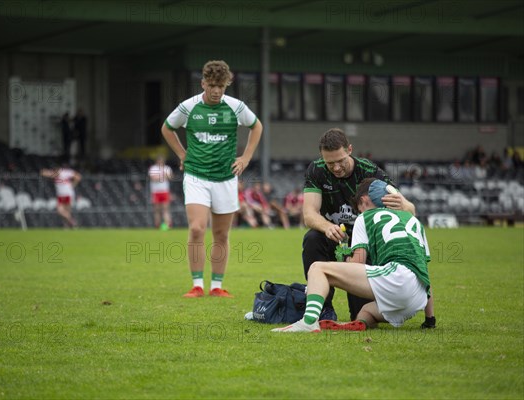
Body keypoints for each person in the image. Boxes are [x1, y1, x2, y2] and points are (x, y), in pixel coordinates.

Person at [273, 178, 435, 332]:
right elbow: (424, 272)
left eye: (359, 207)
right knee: (366, 311)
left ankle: (308, 322)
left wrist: (342, 256)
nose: (359, 212)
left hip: (396, 280)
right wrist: (430, 319)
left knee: (317, 269)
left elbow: (357, 263)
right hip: (416, 298)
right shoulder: (413, 221)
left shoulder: (365, 217)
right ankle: (360, 324)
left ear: (364, 200)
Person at [161, 60, 263, 298]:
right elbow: (167, 128)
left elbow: (256, 126)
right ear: (203, 83)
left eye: (221, 86)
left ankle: (217, 286)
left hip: (226, 178)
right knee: (197, 228)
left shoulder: (236, 107)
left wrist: (246, 158)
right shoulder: (188, 107)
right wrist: (182, 154)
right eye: (212, 85)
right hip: (196, 175)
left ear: (227, 84)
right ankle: (197, 284)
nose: (216, 91)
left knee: (221, 234)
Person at [302, 128, 416, 322]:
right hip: (335, 236)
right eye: (331, 163)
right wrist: (327, 226)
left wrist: (405, 205)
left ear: (350, 150)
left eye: (340, 161)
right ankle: (323, 308)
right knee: (313, 238)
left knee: (360, 317)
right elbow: (309, 214)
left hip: (365, 242)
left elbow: (410, 210)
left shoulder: (370, 172)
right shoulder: (317, 170)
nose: (336, 168)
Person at [148, 155, 173, 230]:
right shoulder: (153, 168)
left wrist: (159, 176)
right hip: (155, 192)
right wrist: (163, 176)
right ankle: (157, 225)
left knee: (166, 209)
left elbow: (170, 177)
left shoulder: (167, 168)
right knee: (157, 209)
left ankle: (168, 225)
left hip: (165, 191)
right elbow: (153, 178)